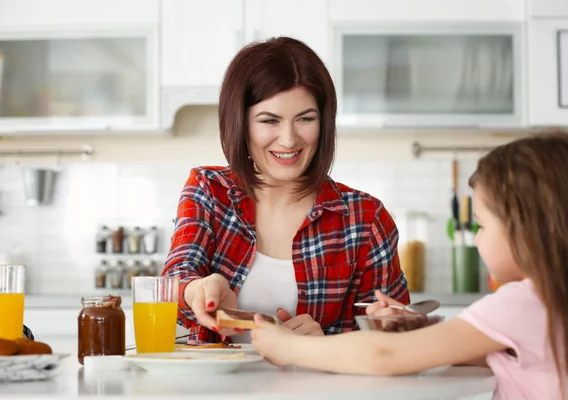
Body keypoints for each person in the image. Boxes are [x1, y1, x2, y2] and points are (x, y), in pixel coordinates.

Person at [252, 129, 568, 400]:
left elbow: (385, 356)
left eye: (481, 225)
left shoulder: (523, 303)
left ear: (527, 230)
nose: (477, 238)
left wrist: (289, 348)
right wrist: (416, 331)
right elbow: (471, 352)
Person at [161, 36, 409, 344]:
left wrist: (327, 346)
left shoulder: (366, 220)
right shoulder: (209, 190)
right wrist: (196, 290)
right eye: (270, 120)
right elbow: (175, 280)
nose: (289, 140)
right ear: (240, 123)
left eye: (305, 119)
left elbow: (393, 342)